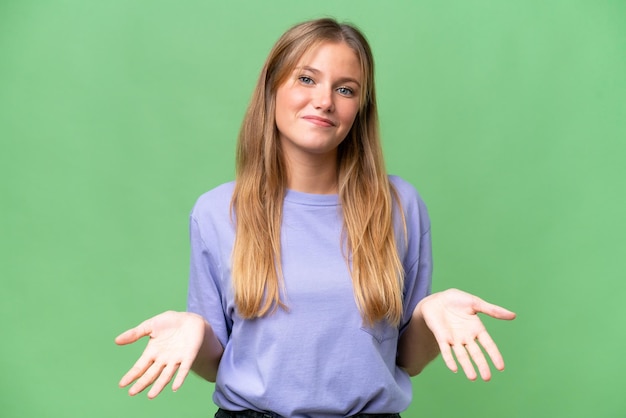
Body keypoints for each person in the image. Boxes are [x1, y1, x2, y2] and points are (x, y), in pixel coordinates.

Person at [115, 18, 516, 417]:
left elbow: (405, 359)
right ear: (272, 88)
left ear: (360, 109)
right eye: (306, 79)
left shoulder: (399, 205)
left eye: (345, 89)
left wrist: (429, 315)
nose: (325, 100)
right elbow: (215, 360)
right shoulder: (217, 211)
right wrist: (196, 331)